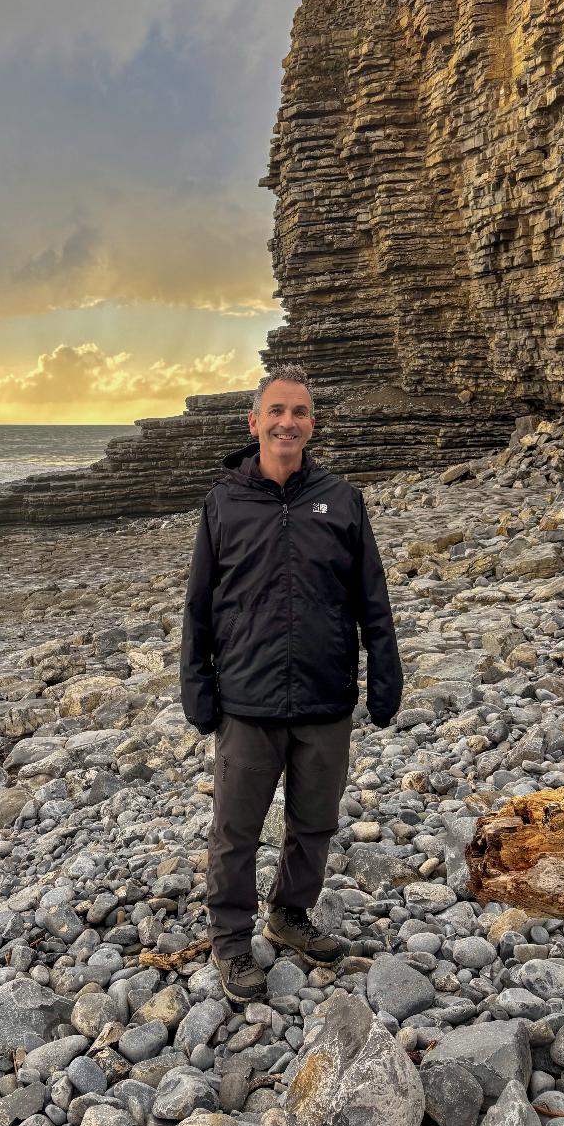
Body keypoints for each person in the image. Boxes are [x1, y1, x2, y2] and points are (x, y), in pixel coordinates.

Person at [180, 363, 403, 1003]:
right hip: (246, 702)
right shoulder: (224, 503)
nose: (287, 422)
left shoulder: (341, 499)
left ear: (311, 424)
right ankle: (230, 941)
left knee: (314, 823)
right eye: (276, 411)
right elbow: (198, 607)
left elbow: (372, 601)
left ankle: (290, 915)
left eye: (299, 412)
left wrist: (384, 678)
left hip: (325, 697)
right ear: (254, 423)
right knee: (236, 832)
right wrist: (197, 686)